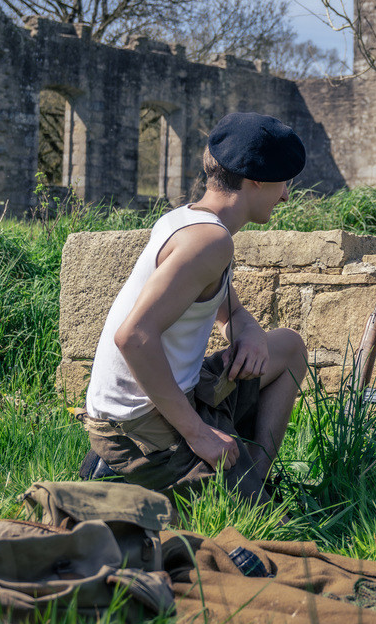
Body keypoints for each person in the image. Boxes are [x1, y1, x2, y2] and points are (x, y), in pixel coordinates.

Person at [78, 112, 309, 500]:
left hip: (169, 394)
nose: (286, 194)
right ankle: (127, 471)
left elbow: (226, 308)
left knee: (286, 346)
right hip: (135, 424)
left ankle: (251, 479)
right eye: (284, 182)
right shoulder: (210, 242)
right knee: (266, 524)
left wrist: (248, 328)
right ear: (257, 179)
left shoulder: (190, 220)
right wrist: (198, 434)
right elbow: (133, 337)